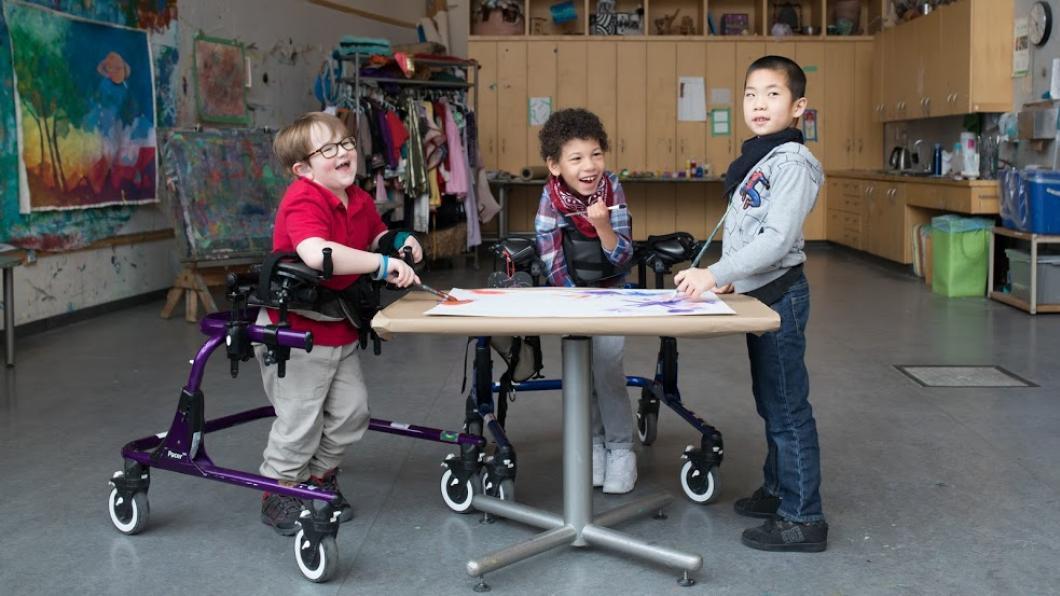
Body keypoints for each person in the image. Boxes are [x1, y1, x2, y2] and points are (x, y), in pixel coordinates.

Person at [674, 56, 828, 552]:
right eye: (750, 94)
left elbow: (779, 240)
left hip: (781, 296)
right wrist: (731, 279)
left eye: (773, 93)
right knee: (771, 401)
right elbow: (749, 234)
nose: (759, 103)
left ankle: (803, 518)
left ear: (798, 106)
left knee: (787, 407)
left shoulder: (793, 163)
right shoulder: (760, 157)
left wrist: (714, 272)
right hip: (760, 294)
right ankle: (780, 488)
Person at [257, 112, 422, 535]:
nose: (344, 152)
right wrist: (381, 264)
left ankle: (320, 476)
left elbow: (375, 234)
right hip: (295, 330)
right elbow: (316, 254)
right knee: (300, 419)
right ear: (303, 169)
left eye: (346, 142)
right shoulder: (303, 199)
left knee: (352, 413)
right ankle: (281, 489)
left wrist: (397, 241)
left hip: (338, 326)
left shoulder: (358, 198)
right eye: (328, 149)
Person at [535, 108, 637, 494]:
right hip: (572, 296)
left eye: (596, 154)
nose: (589, 166)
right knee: (582, 373)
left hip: (612, 293)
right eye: (576, 158)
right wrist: (574, 301)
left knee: (608, 370)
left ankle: (622, 449)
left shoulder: (613, 188)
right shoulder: (550, 196)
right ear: (555, 165)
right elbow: (550, 255)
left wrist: (602, 227)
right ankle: (592, 444)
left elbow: (623, 255)